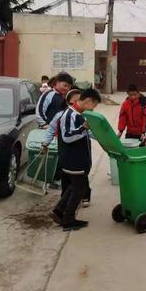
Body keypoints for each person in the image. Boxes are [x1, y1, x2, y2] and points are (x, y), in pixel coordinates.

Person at [49, 88, 101, 231]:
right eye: (94, 105)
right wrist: (82, 129)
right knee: (79, 189)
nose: (94, 109)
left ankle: (59, 211)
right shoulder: (70, 114)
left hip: (78, 161)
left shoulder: (79, 114)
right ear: (88, 101)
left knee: (74, 186)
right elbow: (67, 137)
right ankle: (68, 219)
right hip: (73, 161)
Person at [42, 89, 83, 196]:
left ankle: (84, 197)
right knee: (65, 176)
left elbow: (93, 131)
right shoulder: (61, 115)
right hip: (65, 152)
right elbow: (51, 130)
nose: (75, 105)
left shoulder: (83, 116)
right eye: (72, 102)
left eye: (79, 101)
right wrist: (45, 143)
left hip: (79, 155)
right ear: (67, 102)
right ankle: (64, 199)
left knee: (81, 179)